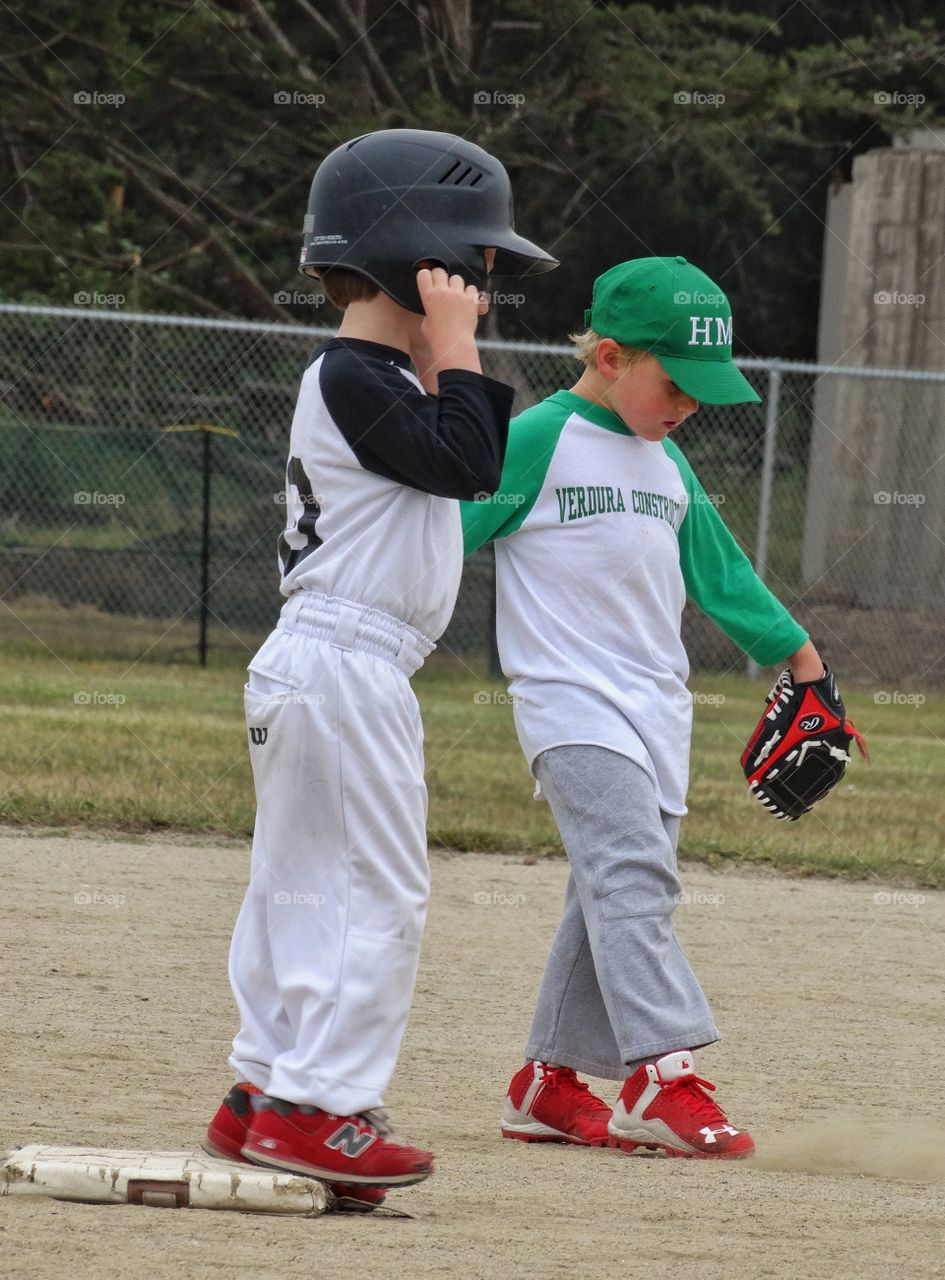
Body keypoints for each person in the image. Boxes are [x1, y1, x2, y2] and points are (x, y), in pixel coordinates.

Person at [203, 128, 557, 1205]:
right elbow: (467, 458)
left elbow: (453, 462)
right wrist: (456, 345)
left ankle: (262, 1094)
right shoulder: (359, 373)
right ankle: (319, 1106)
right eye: (471, 271)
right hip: (345, 665)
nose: (482, 294)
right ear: (416, 258)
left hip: (332, 664)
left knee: (300, 886)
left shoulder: (363, 376)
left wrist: (443, 348)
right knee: (374, 892)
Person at [462, 255, 827, 1160]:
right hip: (568, 706)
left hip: (656, 712)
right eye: (678, 383)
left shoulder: (665, 464)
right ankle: (660, 1076)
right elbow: (438, 539)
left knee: (605, 897)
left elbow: (721, 573)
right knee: (631, 877)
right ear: (613, 356)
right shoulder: (535, 439)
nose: (689, 406)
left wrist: (802, 662)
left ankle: (545, 1082)